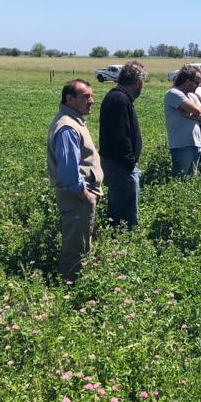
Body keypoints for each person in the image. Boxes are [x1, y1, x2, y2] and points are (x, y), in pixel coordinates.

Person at [47, 79, 103, 281]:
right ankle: (70, 291)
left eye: (92, 95)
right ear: (70, 99)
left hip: (81, 196)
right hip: (77, 197)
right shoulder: (68, 127)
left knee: (83, 243)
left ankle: (79, 284)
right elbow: (70, 171)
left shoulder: (73, 121)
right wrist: (85, 195)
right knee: (75, 248)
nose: (92, 101)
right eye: (86, 96)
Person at [98, 60, 146, 228]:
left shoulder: (119, 97)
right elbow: (121, 136)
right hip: (120, 166)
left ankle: (117, 239)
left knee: (119, 208)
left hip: (119, 164)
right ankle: (121, 243)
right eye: (143, 82)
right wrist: (130, 164)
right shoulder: (119, 99)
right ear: (137, 82)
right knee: (124, 216)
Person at [164, 65, 201, 177]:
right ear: (187, 81)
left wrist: (191, 116)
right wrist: (196, 113)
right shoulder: (174, 93)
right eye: (196, 82)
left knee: (191, 179)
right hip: (182, 145)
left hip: (195, 143)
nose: (198, 86)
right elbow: (197, 109)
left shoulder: (192, 96)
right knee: (180, 179)